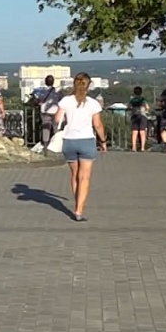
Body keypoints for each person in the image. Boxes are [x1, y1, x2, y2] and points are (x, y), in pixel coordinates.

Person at [54, 72, 107, 222]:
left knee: (74, 175)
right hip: (86, 141)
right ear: (88, 85)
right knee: (84, 176)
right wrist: (103, 141)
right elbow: (97, 124)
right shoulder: (93, 103)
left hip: (69, 140)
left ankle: (77, 201)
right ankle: (79, 209)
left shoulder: (66, 101)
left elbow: (57, 119)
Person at [31, 75, 61, 148]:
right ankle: (56, 145)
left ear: (45, 82)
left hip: (45, 112)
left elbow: (36, 101)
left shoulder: (41, 92)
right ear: (53, 82)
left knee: (45, 129)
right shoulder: (57, 92)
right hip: (56, 112)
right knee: (56, 129)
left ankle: (45, 145)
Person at [128, 86, 151, 153]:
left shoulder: (132, 100)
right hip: (142, 116)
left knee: (134, 132)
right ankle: (142, 148)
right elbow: (147, 107)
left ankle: (134, 147)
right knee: (142, 132)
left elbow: (129, 107)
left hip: (134, 115)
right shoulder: (143, 99)